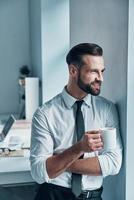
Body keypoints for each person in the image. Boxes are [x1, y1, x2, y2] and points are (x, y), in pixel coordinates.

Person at [30, 43, 122, 200]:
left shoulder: (107, 109)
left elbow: (113, 164)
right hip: (53, 195)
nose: (100, 78)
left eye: (102, 71)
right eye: (93, 71)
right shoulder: (44, 114)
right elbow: (39, 173)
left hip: (93, 196)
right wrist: (79, 148)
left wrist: (58, 163)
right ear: (73, 71)